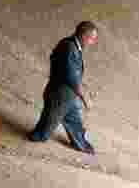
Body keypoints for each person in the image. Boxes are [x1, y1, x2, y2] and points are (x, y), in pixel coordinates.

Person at [27, 21, 98, 154]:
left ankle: (81, 144)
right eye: (92, 38)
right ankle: (34, 138)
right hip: (59, 97)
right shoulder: (68, 47)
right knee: (44, 131)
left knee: (75, 122)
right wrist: (84, 97)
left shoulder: (73, 46)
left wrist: (81, 88)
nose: (93, 42)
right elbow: (70, 76)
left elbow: (72, 72)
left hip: (68, 96)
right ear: (84, 36)